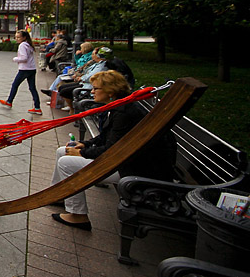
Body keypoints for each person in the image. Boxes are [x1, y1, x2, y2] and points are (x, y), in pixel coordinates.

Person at [49, 70, 177, 231]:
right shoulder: (121, 106)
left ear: (111, 91)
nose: (92, 91)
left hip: (135, 170)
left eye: (96, 88)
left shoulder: (124, 112)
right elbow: (108, 137)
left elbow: (112, 149)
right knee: (63, 150)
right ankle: (59, 194)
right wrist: (85, 144)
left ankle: (77, 215)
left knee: (66, 162)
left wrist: (82, 153)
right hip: (127, 160)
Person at [0, 29, 42, 115]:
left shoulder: (22, 45)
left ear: (24, 37)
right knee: (32, 88)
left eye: (18, 37)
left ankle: (9, 101)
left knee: (15, 85)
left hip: (24, 69)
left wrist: (15, 59)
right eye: (16, 37)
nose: (17, 39)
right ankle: (37, 107)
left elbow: (24, 58)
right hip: (32, 69)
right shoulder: (29, 45)